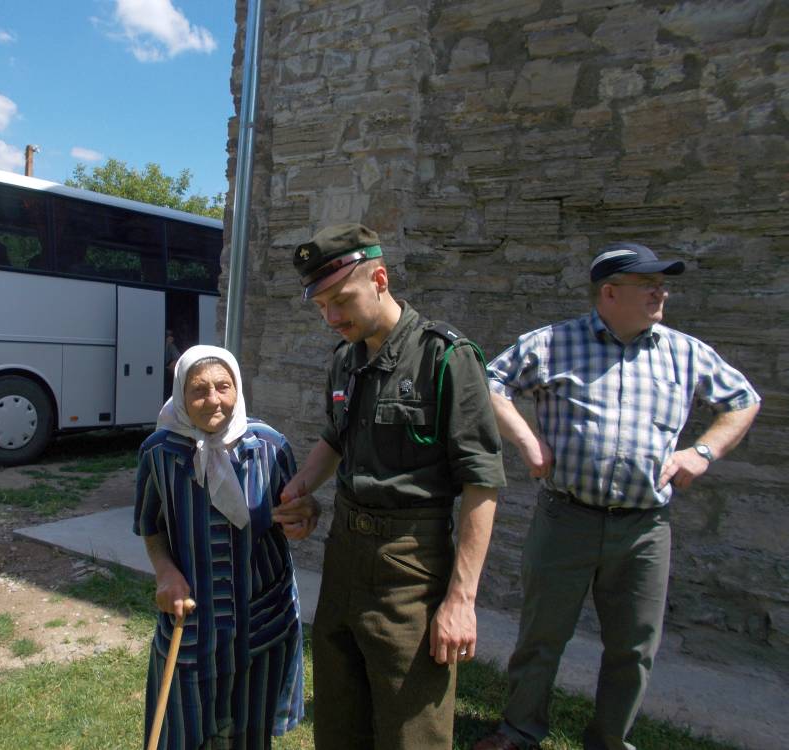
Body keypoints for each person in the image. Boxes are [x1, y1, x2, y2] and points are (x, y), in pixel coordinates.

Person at [475, 242, 761, 750]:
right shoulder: (554, 343)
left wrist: (703, 452)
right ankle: (518, 731)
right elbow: (488, 380)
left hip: (644, 530)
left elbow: (743, 400)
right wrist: (527, 440)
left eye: (662, 285)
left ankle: (610, 741)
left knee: (633, 648)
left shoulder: (685, 352)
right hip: (566, 519)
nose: (660, 293)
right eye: (647, 284)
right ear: (609, 293)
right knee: (542, 636)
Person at [274, 223, 506, 749]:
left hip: (410, 566)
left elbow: (482, 482)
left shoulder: (445, 357)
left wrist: (461, 599)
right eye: (321, 306)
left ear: (379, 279)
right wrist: (299, 490)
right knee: (339, 721)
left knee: (412, 730)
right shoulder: (345, 359)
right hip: (344, 557)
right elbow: (335, 439)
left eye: (341, 300)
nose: (332, 318)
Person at [133, 344, 312, 750]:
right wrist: (165, 572)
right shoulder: (158, 453)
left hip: (261, 626)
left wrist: (304, 517)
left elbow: (298, 512)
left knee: (250, 737)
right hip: (193, 627)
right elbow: (150, 526)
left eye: (223, 387)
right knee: (182, 735)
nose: (213, 400)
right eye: (199, 390)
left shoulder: (270, 446)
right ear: (180, 394)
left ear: (237, 388)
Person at [164, 329, 182, 400]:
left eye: (170, 335)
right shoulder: (162, 344)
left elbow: (179, 359)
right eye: (168, 335)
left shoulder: (171, 346)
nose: (170, 337)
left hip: (170, 372)